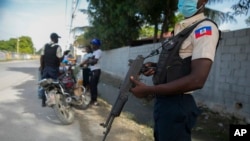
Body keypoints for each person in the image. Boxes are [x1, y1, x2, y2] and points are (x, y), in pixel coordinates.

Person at [130, 0, 220, 141]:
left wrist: (149, 90)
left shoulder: (204, 28)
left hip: (178, 104)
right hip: (164, 102)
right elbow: (179, 63)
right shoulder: (181, 29)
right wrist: (156, 67)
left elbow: (197, 79)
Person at [40, 32, 63, 107]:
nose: (58, 40)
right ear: (55, 39)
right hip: (53, 69)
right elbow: (59, 59)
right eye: (57, 38)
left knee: (44, 85)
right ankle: (54, 101)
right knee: (54, 84)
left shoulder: (45, 46)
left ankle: (43, 101)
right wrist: (63, 57)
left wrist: (42, 67)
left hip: (46, 69)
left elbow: (42, 57)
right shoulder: (58, 47)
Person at [88, 38, 102, 106]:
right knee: (91, 85)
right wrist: (90, 61)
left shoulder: (98, 51)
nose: (91, 45)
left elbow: (94, 61)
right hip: (93, 70)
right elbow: (91, 61)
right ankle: (92, 99)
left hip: (96, 71)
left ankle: (95, 100)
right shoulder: (94, 52)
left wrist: (90, 61)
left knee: (93, 86)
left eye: (93, 44)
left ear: (96, 45)